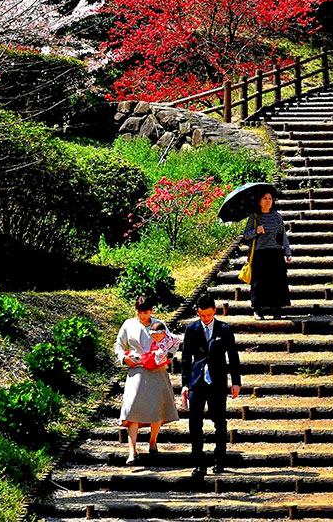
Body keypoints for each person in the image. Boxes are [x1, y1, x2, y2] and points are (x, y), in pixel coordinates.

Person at [180, 293, 241, 480]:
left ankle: (220, 458)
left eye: (208, 314)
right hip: (197, 380)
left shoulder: (224, 329)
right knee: (195, 421)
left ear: (214, 311)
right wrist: (184, 384)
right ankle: (198, 461)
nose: (205, 318)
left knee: (219, 420)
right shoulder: (191, 329)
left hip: (218, 379)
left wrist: (236, 381)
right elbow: (185, 358)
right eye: (201, 315)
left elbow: (233, 356)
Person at [114, 296, 179, 465]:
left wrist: (168, 356)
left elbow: (172, 343)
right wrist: (123, 358)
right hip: (136, 369)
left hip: (157, 370)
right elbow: (118, 345)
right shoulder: (129, 324)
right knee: (132, 408)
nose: (142, 315)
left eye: (146, 312)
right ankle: (132, 450)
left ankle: (153, 441)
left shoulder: (159, 324)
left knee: (157, 408)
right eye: (139, 312)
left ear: (151, 310)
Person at [241, 189, 292, 317]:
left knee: (277, 282)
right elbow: (245, 235)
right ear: (259, 201)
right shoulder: (254, 216)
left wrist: (287, 252)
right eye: (265, 198)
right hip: (260, 254)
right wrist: (256, 232)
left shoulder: (277, 216)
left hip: (275, 253)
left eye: (270, 198)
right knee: (259, 283)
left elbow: (283, 235)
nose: (268, 201)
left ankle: (277, 310)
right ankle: (258, 310)